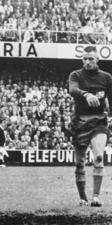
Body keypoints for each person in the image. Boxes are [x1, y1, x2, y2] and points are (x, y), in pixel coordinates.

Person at [68, 46, 112, 207]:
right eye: (85, 59)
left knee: (99, 156)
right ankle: (83, 198)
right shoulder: (76, 75)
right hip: (80, 122)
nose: (87, 62)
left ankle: (96, 197)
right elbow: (72, 89)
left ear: (97, 60)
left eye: (91, 59)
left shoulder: (106, 77)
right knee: (80, 163)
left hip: (99, 121)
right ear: (82, 60)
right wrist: (86, 94)